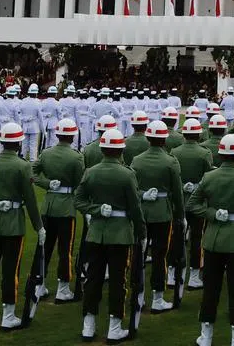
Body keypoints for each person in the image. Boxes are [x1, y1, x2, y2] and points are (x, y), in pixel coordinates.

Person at [186, 133, 234, 346]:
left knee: (210, 290)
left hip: (212, 240)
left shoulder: (209, 177)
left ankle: (206, 336)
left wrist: (211, 214)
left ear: (220, 154)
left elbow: (192, 205)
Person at [73, 127, 146, 343]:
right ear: (121, 150)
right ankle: (114, 327)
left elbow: (78, 201)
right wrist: (141, 232)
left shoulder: (91, 172)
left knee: (93, 279)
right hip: (120, 234)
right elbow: (135, 208)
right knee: (117, 281)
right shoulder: (127, 174)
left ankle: (89, 325)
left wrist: (95, 210)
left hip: (96, 233)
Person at [0, 122, 44, 332]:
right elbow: (30, 201)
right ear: (19, 143)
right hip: (13, 224)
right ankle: (8, 315)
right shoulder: (23, 166)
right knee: (10, 270)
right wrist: (39, 227)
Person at [131, 119, 185, 313]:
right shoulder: (171, 161)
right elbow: (177, 193)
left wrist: (142, 195)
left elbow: (132, 189)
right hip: (162, 212)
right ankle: (157, 297)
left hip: (143, 212)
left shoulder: (137, 160)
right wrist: (181, 215)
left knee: (139, 255)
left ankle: (137, 295)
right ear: (164, 139)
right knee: (160, 256)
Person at [32, 117, 85, 302]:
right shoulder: (77, 157)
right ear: (72, 137)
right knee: (65, 249)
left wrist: (46, 183)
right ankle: (63, 288)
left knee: (45, 247)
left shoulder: (46, 153)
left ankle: (40, 284)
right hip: (66, 207)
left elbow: (32, 173)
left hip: (49, 205)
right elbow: (81, 184)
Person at [171, 117, 214, 290]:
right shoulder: (204, 153)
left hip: (179, 199)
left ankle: (171, 273)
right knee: (197, 238)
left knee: (175, 237)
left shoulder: (174, 151)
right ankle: (194, 275)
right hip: (198, 201)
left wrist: (183, 185)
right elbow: (207, 179)